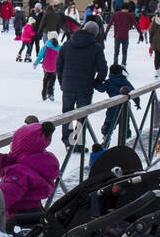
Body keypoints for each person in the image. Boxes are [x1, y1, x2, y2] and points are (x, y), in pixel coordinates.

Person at [55, 19, 108, 153]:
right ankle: (77, 142)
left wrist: (62, 82)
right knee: (81, 115)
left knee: (67, 113)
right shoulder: (96, 47)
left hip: (68, 85)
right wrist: (96, 82)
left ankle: (68, 141)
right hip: (85, 87)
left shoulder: (67, 44)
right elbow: (103, 69)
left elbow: (59, 65)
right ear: (95, 33)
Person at [0, 119, 60, 215]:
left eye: (14, 141)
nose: (11, 144)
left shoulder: (19, 172)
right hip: (35, 212)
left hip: (17, 219)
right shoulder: (38, 164)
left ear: (22, 146)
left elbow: (1, 201)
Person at [98, 64, 140, 144]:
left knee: (109, 123)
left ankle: (106, 138)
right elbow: (133, 92)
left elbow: (101, 89)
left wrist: (95, 83)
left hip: (113, 106)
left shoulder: (108, 82)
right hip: (126, 106)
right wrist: (137, 102)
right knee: (126, 125)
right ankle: (127, 141)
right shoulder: (125, 81)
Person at [33, 34, 60, 101]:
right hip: (54, 66)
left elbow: (40, 55)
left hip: (46, 66)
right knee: (52, 80)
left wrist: (36, 63)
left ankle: (44, 94)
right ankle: (50, 94)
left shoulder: (46, 46)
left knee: (45, 80)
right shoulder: (59, 47)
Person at [109, 0, 135, 66]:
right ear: (128, 9)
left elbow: (109, 24)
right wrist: (140, 33)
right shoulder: (129, 15)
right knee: (124, 51)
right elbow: (136, 24)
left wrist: (105, 33)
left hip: (117, 36)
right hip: (125, 36)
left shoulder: (116, 14)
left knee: (116, 52)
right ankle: (123, 64)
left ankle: (115, 64)